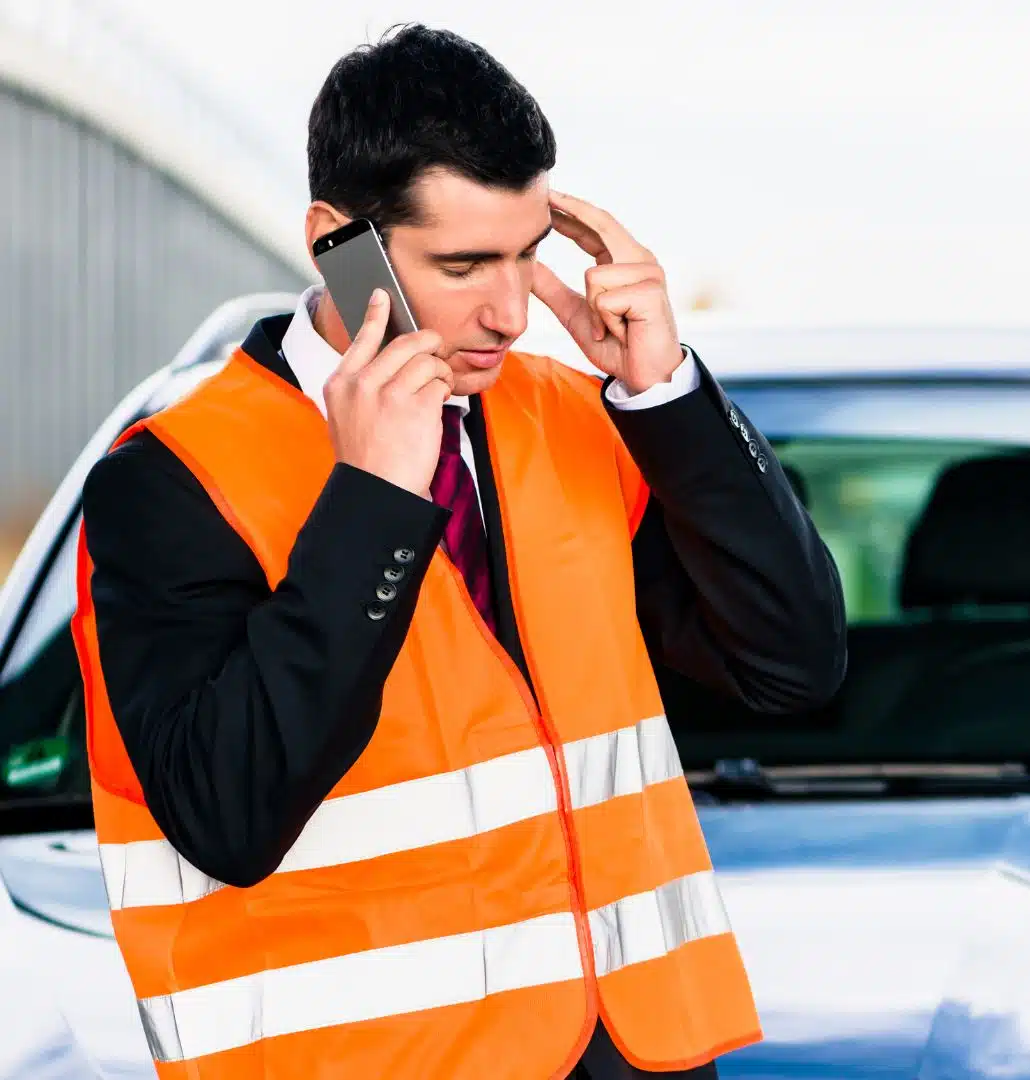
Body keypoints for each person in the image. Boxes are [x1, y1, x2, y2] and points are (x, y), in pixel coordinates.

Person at [70, 24, 846, 1080]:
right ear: (336, 242)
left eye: (529, 253)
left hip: (639, 1059)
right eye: (465, 263)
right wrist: (373, 503)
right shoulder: (169, 479)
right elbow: (229, 815)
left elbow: (793, 667)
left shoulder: (583, 420)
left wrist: (665, 397)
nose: (513, 310)